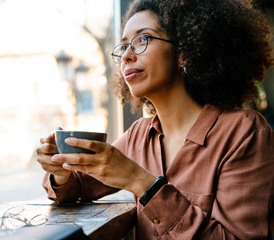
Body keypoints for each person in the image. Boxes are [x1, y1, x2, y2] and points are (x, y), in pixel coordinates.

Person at [36, 0, 274, 238]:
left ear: (185, 52)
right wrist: (61, 169)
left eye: (143, 39)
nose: (127, 56)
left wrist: (141, 182)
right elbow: (76, 187)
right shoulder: (138, 135)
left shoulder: (244, 133)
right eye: (123, 47)